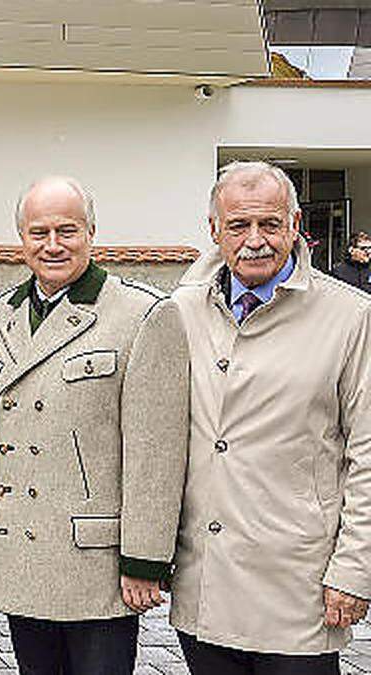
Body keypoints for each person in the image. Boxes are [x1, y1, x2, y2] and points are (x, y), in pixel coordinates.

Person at [0, 176, 190, 674]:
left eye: (67, 231)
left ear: (92, 232)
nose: (53, 245)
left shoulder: (142, 315)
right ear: (21, 240)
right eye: (39, 232)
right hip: (23, 552)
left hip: (95, 561)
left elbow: (156, 455)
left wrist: (145, 561)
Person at [171, 161, 371, 673]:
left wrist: (354, 570)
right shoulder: (183, 311)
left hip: (298, 590)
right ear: (213, 230)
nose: (255, 240)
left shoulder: (350, 317)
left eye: (270, 224)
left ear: (296, 223)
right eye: (238, 226)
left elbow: (367, 453)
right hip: (206, 587)